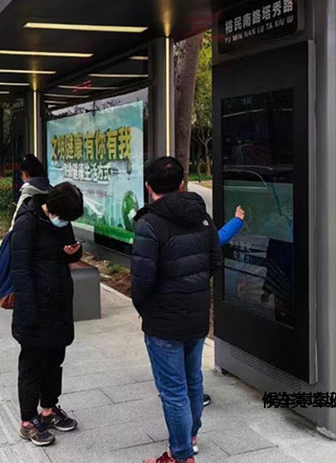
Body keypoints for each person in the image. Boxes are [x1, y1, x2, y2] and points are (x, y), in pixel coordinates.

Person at [131, 156, 223, 463]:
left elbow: (142, 280)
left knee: (173, 390)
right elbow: (216, 262)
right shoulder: (202, 217)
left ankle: (181, 455)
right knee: (193, 380)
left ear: (148, 186)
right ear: (182, 184)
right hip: (196, 314)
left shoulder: (149, 224)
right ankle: (190, 438)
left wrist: (145, 309)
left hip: (163, 321)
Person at [10, 181, 84, 446]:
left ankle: (49, 410)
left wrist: (74, 252)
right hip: (34, 308)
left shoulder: (61, 220)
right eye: (64, 217)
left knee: (54, 361)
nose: (65, 222)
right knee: (32, 366)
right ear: (52, 208)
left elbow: (67, 251)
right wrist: (30, 312)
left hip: (58, 304)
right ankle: (28, 421)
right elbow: (20, 270)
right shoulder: (27, 223)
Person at [202, 204, 246, 408]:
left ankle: (170, 390)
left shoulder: (154, 228)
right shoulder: (198, 233)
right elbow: (217, 239)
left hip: (164, 310)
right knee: (190, 355)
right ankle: (192, 396)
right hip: (193, 306)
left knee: (169, 356)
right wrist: (237, 220)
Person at [11, 154, 52, 228]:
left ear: (26, 174)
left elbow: (16, 221)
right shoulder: (52, 191)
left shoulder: (27, 194)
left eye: (22, 174)